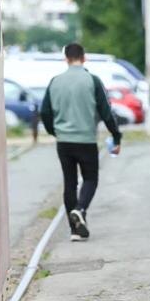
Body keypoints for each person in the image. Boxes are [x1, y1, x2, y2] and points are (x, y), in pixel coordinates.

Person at [40, 43, 122, 241]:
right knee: (90, 179)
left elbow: (45, 112)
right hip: (86, 139)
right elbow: (106, 113)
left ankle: (75, 229)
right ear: (84, 58)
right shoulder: (92, 81)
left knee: (69, 182)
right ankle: (80, 209)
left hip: (64, 141)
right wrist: (116, 136)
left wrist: (55, 131)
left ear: (66, 59)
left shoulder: (55, 82)